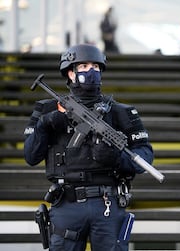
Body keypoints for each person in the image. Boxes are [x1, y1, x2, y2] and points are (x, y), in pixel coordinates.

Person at [24, 44, 153, 251]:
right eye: (83, 66)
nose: (90, 71)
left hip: (107, 203)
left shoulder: (122, 112)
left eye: (95, 66)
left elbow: (144, 156)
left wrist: (117, 159)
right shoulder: (47, 109)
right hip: (66, 203)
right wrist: (43, 125)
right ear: (70, 73)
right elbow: (31, 156)